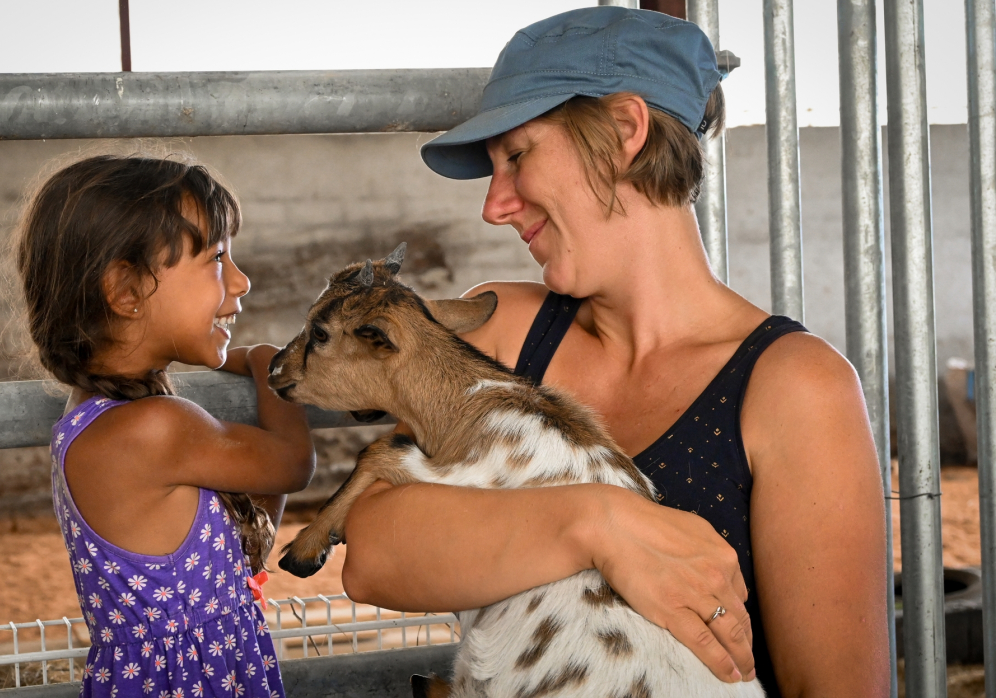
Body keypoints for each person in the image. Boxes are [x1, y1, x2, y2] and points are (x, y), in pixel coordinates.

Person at [339, 8, 889, 697]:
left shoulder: (793, 387)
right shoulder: (507, 330)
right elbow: (373, 551)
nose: (494, 205)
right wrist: (600, 524)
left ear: (625, 131)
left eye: (517, 155)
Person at [14, 155, 315, 698]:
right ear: (126, 292)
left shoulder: (100, 415)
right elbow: (292, 464)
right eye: (218, 258)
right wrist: (272, 367)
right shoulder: (157, 428)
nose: (241, 281)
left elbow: (245, 548)